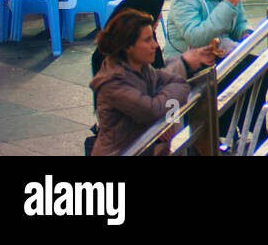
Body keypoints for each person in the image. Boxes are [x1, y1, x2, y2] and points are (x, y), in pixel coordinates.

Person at [89, 9, 218, 156]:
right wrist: (168, 100)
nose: (155, 45)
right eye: (147, 40)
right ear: (128, 47)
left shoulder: (143, 69)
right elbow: (151, 110)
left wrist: (168, 115)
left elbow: (180, 83)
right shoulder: (112, 83)